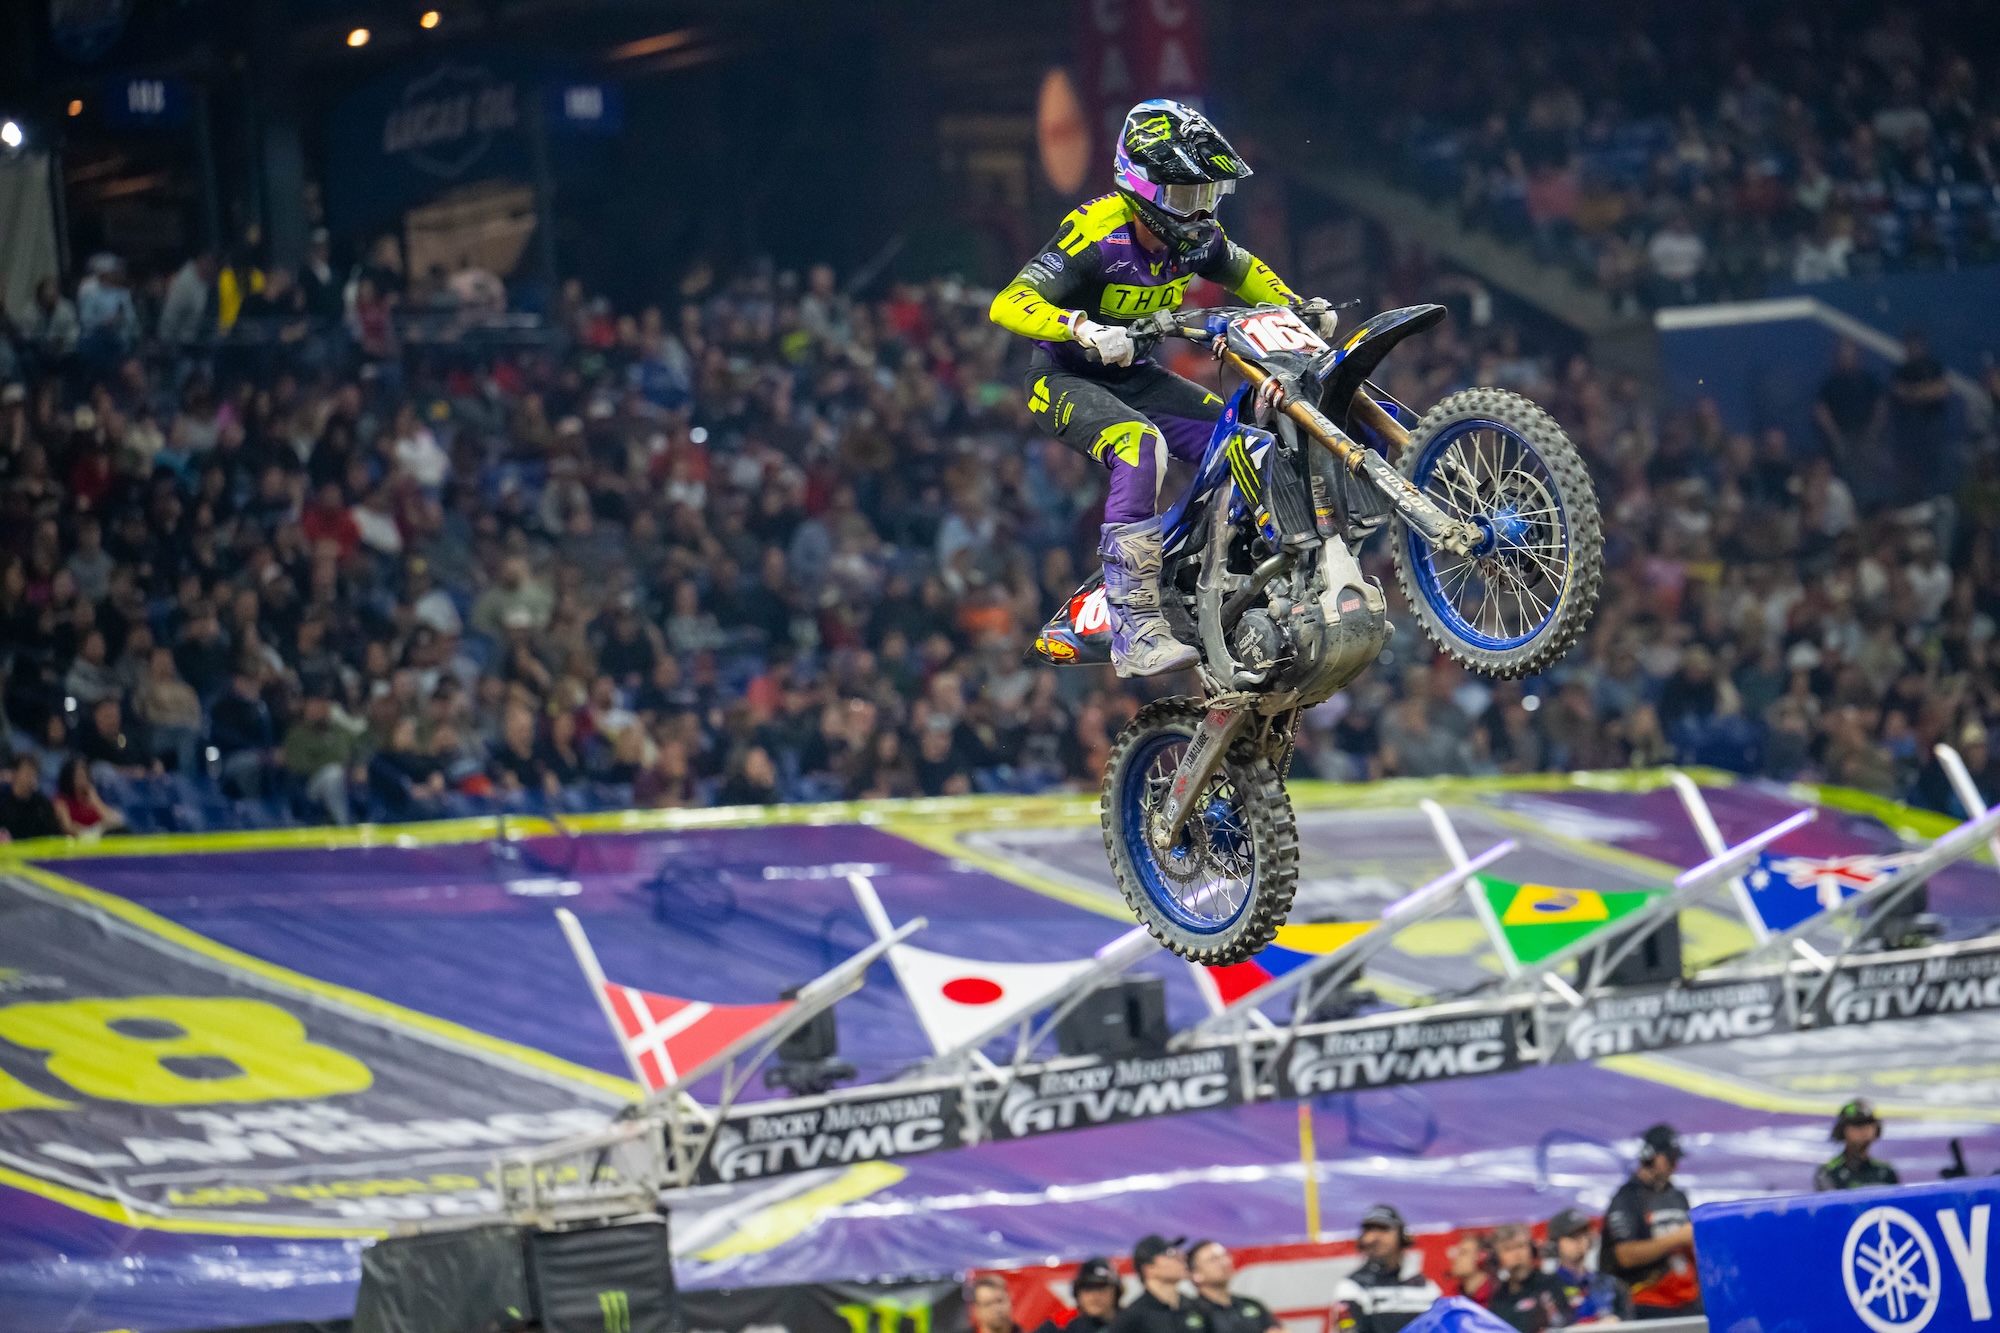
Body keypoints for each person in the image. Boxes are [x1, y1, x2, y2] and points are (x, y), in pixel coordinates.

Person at [987, 99, 1337, 676]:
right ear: (1141, 185)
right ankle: (1134, 628)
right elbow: (1008, 302)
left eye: (1207, 194)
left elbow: (1245, 271)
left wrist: (1296, 310)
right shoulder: (1097, 233)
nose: (1198, 210)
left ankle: (1253, 582)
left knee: (1246, 442)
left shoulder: (1197, 239)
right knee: (1140, 444)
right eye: (1183, 194)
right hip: (1064, 377)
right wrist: (1081, 327)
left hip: (1135, 375)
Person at [1603, 1124, 1701, 1320]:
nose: (1675, 1166)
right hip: (1649, 1302)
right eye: (1670, 1159)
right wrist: (1677, 1239)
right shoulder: (1627, 1199)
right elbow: (1624, 1255)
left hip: (1687, 1298)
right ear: (1649, 1156)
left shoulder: (1677, 1196)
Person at [1333, 1204, 1442, 1332]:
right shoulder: (1352, 1286)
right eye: (1369, 1230)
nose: (1374, 1238)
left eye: (1383, 1229)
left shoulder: (1426, 1287)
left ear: (1402, 1236)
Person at [1545, 1208, 1631, 1324]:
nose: (1580, 1240)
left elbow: (1629, 1322)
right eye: (1572, 1236)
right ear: (1555, 1244)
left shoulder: (1612, 1284)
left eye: (1583, 1234)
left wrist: (1617, 1321)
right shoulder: (1547, 1288)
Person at [1481, 1224, 1571, 1331]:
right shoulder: (1498, 1299)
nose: (1516, 1254)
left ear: (1532, 1249)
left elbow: (1565, 1322)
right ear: (1497, 1257)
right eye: (1508, 1249)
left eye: (1521, 1246)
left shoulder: (1551, 1283)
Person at [1110, 1235, 1208, 1333]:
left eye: (1179, 1253)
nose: (1181, 1258)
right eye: (1170, 1253)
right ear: (1149, 1268)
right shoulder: (1132, 1318)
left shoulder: (1196, 1307)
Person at [1188, 1241, 1275, 1333]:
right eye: (1214, 1259)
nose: (1224, 1262)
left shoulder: (1253, 1305)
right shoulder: (1190, 1314)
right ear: (1196, 1274)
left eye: (1225, 1256)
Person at [1815, 1099, 1899, 1191]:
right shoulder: (1829, 1172)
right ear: (1842, 1130)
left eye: (1869, 1123)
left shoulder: (1886, 1172)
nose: (1864, 1129)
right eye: (1857, 1124)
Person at [1031, 1258, 1122, 1333]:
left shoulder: (1129, 1324)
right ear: (1077, 1293)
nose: (1095, 1295)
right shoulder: (1068, 1328)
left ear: (1116, 1291)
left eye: (1101, 1287)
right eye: (1087, 1288)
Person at [55, 755, 125, 838]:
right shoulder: (61, 801)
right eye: (79, 775)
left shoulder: (92, 797)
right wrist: (90, 831)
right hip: (80, 840)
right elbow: (68, 828)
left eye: (85, 774)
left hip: (100, 838)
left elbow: (113, 819)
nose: (83, 778)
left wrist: (95, 800)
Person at [0, 753, 62, 841]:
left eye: (34, 774)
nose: (31, 778)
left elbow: (52, 834)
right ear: (15, 773)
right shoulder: (2, 797)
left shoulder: (42, 804)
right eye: (27, 773)